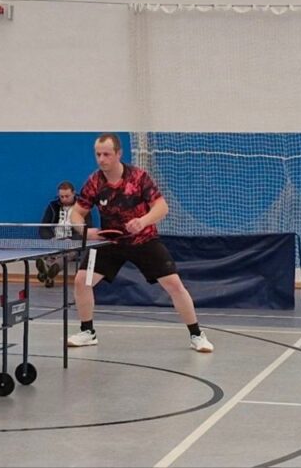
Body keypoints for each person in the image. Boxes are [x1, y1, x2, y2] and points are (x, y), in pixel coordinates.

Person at [67, 133, 213, 353]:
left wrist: (142, 221)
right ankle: (87, 332)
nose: (101, 159)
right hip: (110, 243)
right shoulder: (94, 182)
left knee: (174, 285)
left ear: (118, 153)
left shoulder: (138, 177)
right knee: (81, 281)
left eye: (106, 154)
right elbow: (76, 213)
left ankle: (196, 335)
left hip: (143, 241)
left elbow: (162, 207)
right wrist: (87, 231)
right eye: (98, 154)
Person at [36, 181, 94, 287]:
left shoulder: (82, 207)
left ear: (74, 193)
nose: (64, 199)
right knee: (50, 253)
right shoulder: (53, 206)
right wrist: (50, 238)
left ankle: (48, 271)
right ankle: (49, 274)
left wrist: (72, 238)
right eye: (61, 196)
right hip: (55, 241)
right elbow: (43, 228)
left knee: (68, 253)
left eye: (67, 196)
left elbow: (87, 229)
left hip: (73, 243)